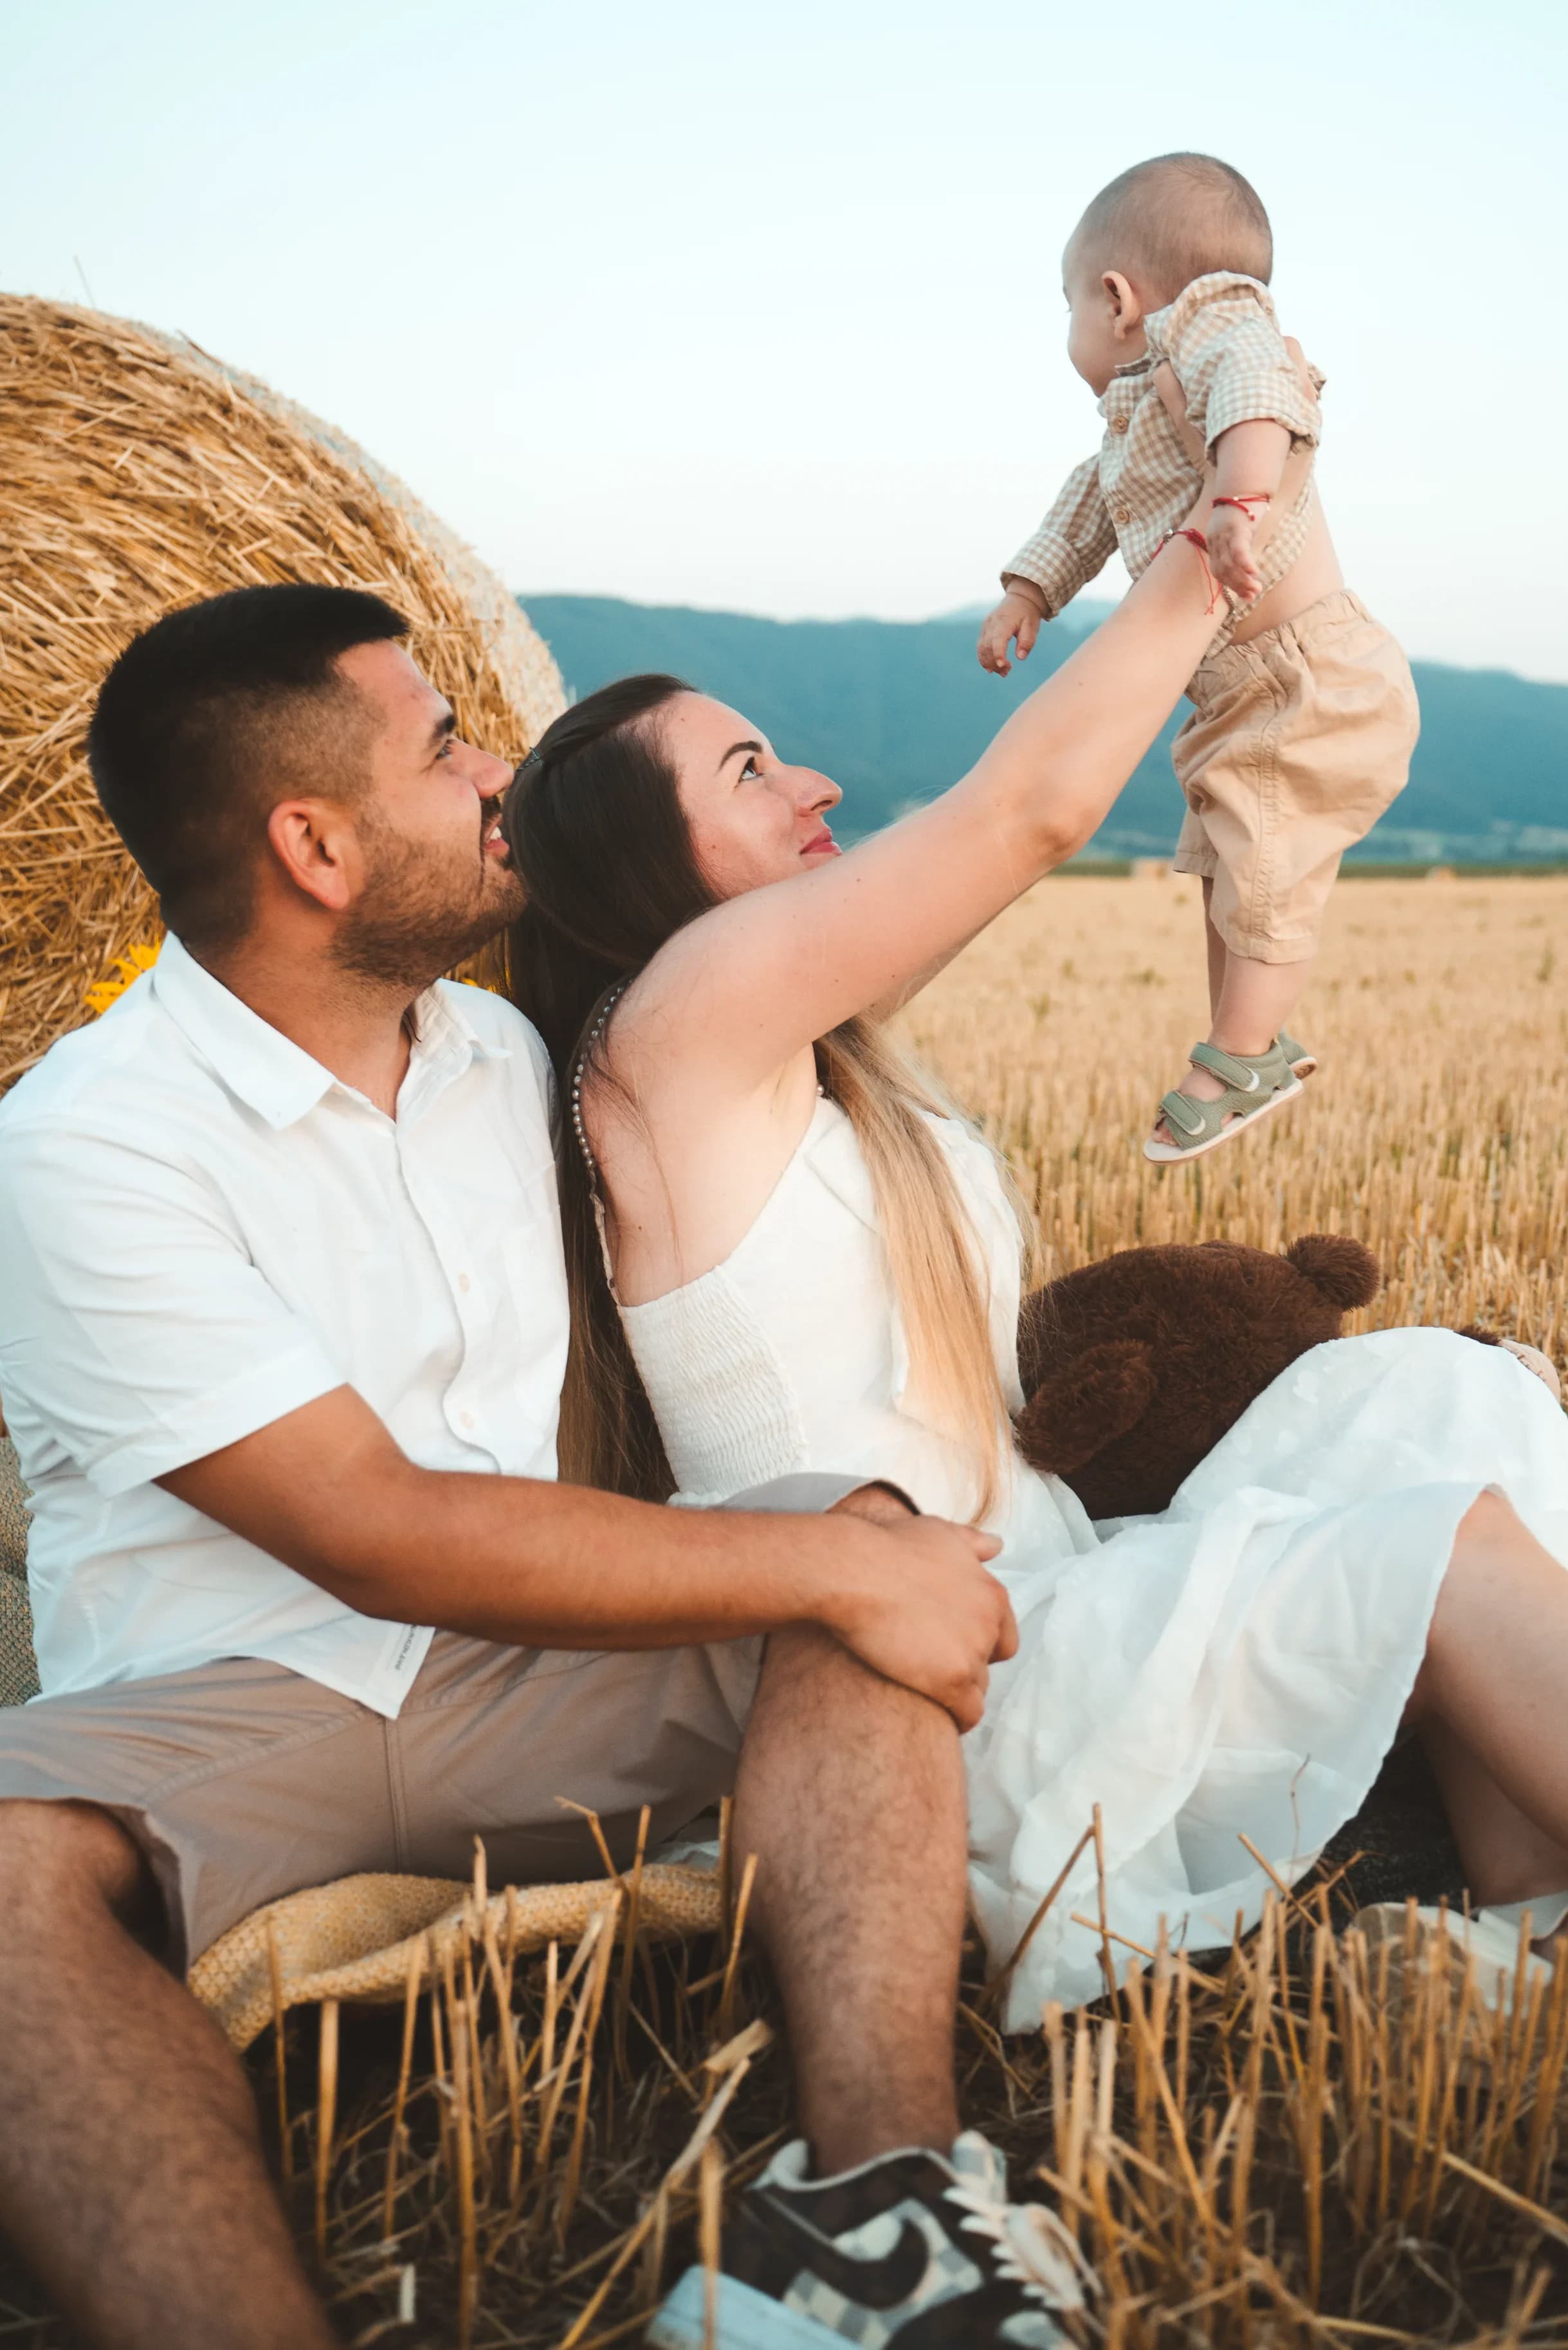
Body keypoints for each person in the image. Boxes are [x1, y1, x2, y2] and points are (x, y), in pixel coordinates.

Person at [501, 616, 1568, 2340]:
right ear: (643, 869)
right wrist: (1196, 565)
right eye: (748, 772)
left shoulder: (798, 1053)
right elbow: (1023, 813)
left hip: (1068, 1589)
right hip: (970, 1700)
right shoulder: (666, 1046)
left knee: (1429, 1392)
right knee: (1438, 1546)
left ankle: (1542, 1946)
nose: (813, 782)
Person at [0, 584, 1047, 2350]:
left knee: (847, 1543)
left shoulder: (499, 1055)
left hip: (538, 1671)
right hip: (227, 1706)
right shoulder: (84, 1144)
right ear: (315, 846)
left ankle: (884, 2210)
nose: (499, 772)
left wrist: (849, 1546)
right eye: (442, 748)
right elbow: (371, 1529)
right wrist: (833, 1563)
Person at [976, 152, 1419, 1162]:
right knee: (1228, 874)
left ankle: (1240, 1058)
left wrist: (1237, 501)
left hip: (1308, 680)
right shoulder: (1136, 421)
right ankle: (1244, 1044)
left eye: (1067, 305)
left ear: (1116, 298)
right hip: (1242, 696)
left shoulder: (1218, 322)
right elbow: (1088, 505)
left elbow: (1264, 391)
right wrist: (1031, 589)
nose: (1070, 328)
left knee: (1263, 877)